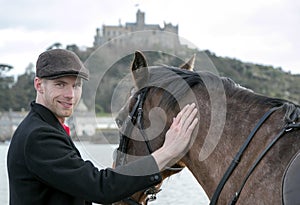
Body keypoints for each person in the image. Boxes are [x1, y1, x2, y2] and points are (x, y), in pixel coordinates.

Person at [7, 49, 198, 205]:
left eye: (76, 86)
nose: (70, 95)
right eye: (60, 84)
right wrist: (167, 152)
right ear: (39, 85)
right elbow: (100, 188)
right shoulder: (38, 136)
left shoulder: (43, 127)